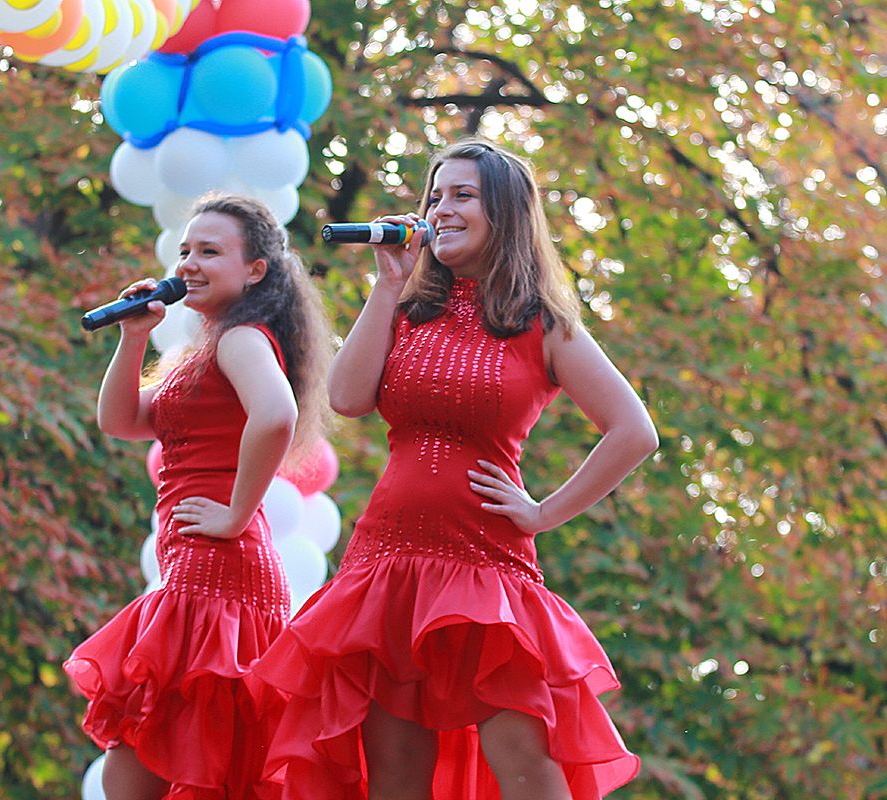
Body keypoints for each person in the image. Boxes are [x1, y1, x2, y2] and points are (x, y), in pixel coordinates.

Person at [252, 138, 659, 800]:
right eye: (434, 195)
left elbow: (634, 431)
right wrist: (389, 283)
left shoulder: (542, 323)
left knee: (528, 770)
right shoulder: (408, 309)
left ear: (505, 213)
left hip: (485, 569)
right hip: (386, 567)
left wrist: (543, 511)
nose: (440, 209)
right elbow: (348, 399)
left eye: (461, 195)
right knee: (394, 777)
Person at [64, 194, 332, 800]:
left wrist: (236, 514)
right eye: (186, 249)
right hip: (202, 567)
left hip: (216, 569)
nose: (188, 262)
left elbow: (276, 415)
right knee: (181, 759)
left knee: (139, 763)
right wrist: (134, 335)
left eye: (210, 251)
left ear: (255, 270)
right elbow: (123, 420)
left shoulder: (240, 338)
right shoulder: (204, 349)